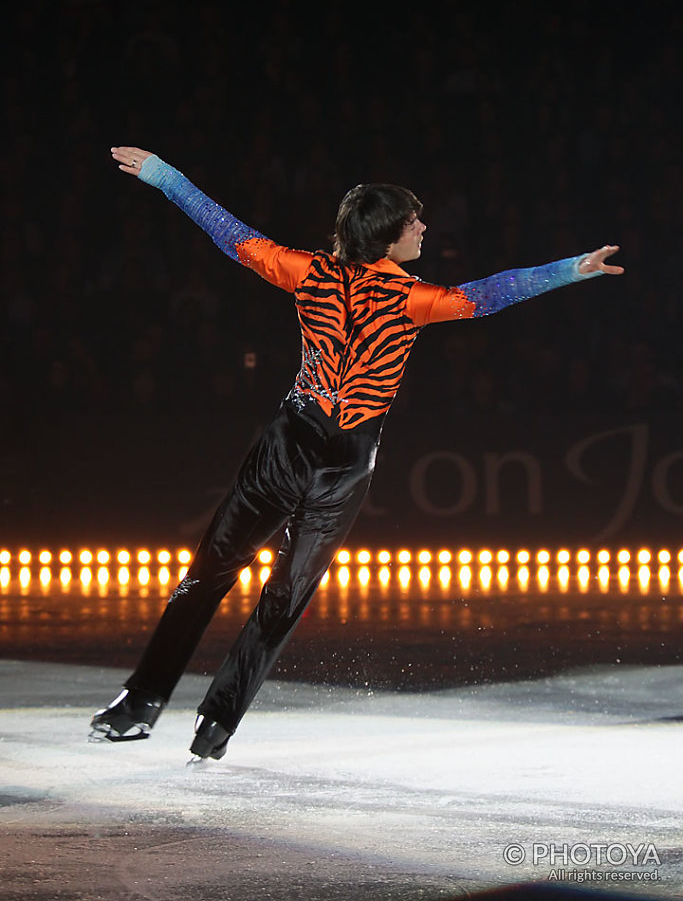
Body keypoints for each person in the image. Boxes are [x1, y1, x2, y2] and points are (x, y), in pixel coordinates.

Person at [90, 146, 624, 761]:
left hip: (338, 467)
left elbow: (491, 292)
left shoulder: (387, 290)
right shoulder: (341, 280)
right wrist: (164, 176)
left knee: (285, 594)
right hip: (289, 450)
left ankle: (217, 720)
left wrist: (572, 269)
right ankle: (143, 699)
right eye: (413, 222)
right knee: (211, 574)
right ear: (386, 235)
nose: (424, 228)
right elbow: (228, 231)